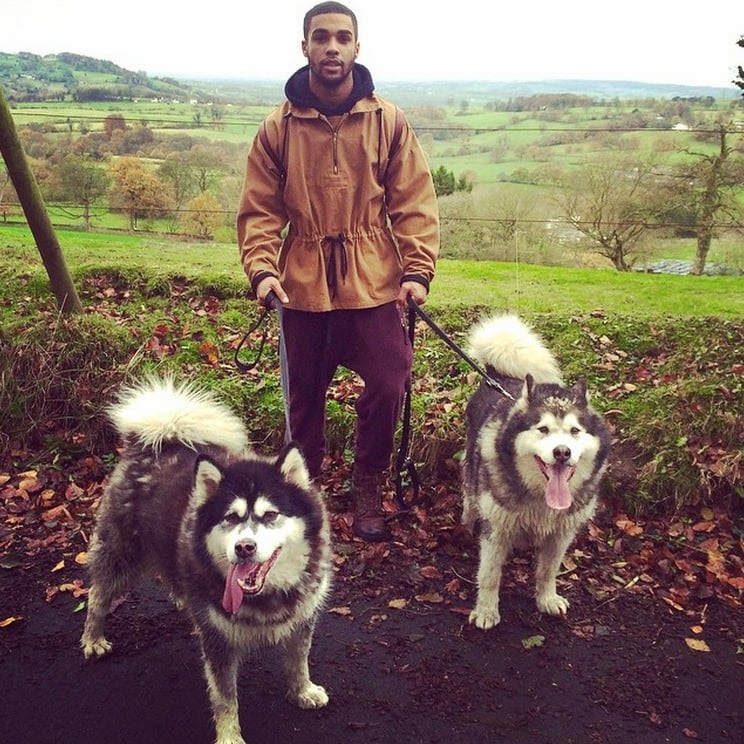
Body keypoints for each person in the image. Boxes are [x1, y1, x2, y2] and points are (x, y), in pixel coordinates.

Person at [237, 1, 439, 542]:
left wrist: (416, 271)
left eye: (342, 38)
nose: (331, 47)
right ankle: (303, 491)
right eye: (320, 37)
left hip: (374, 282)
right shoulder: (276, 129)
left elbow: (414, 203)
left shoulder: (388, 121)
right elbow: (259, 211)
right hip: (301, 284)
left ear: (356, 47)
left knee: (389, 382)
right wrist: (262, 270)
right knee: (303, 397)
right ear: (304, 46)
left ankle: (368, 482)